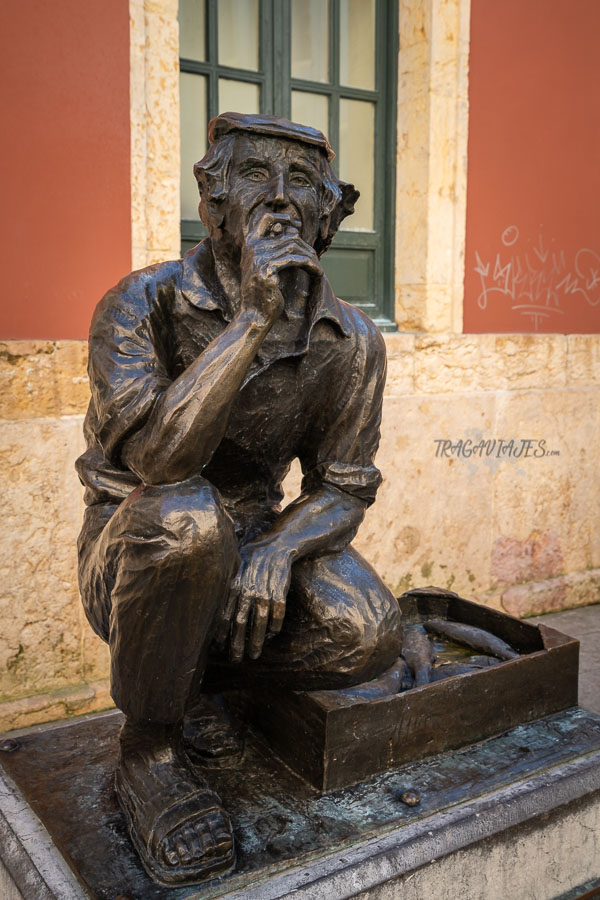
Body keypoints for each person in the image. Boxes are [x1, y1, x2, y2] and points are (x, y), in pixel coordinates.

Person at [76, 112, 402, 885]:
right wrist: (253, 320)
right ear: (212, 203)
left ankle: (203, 685)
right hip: (141, 547)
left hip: (253, 545)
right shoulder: (139, 305)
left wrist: (280, 549)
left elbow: (344, 488)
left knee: (369, 631)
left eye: (305, 187)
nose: (281, 201)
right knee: (188, 522)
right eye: (256, 176)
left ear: (330, 217)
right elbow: (160, 460)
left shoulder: (350, 339)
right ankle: (151, 748)